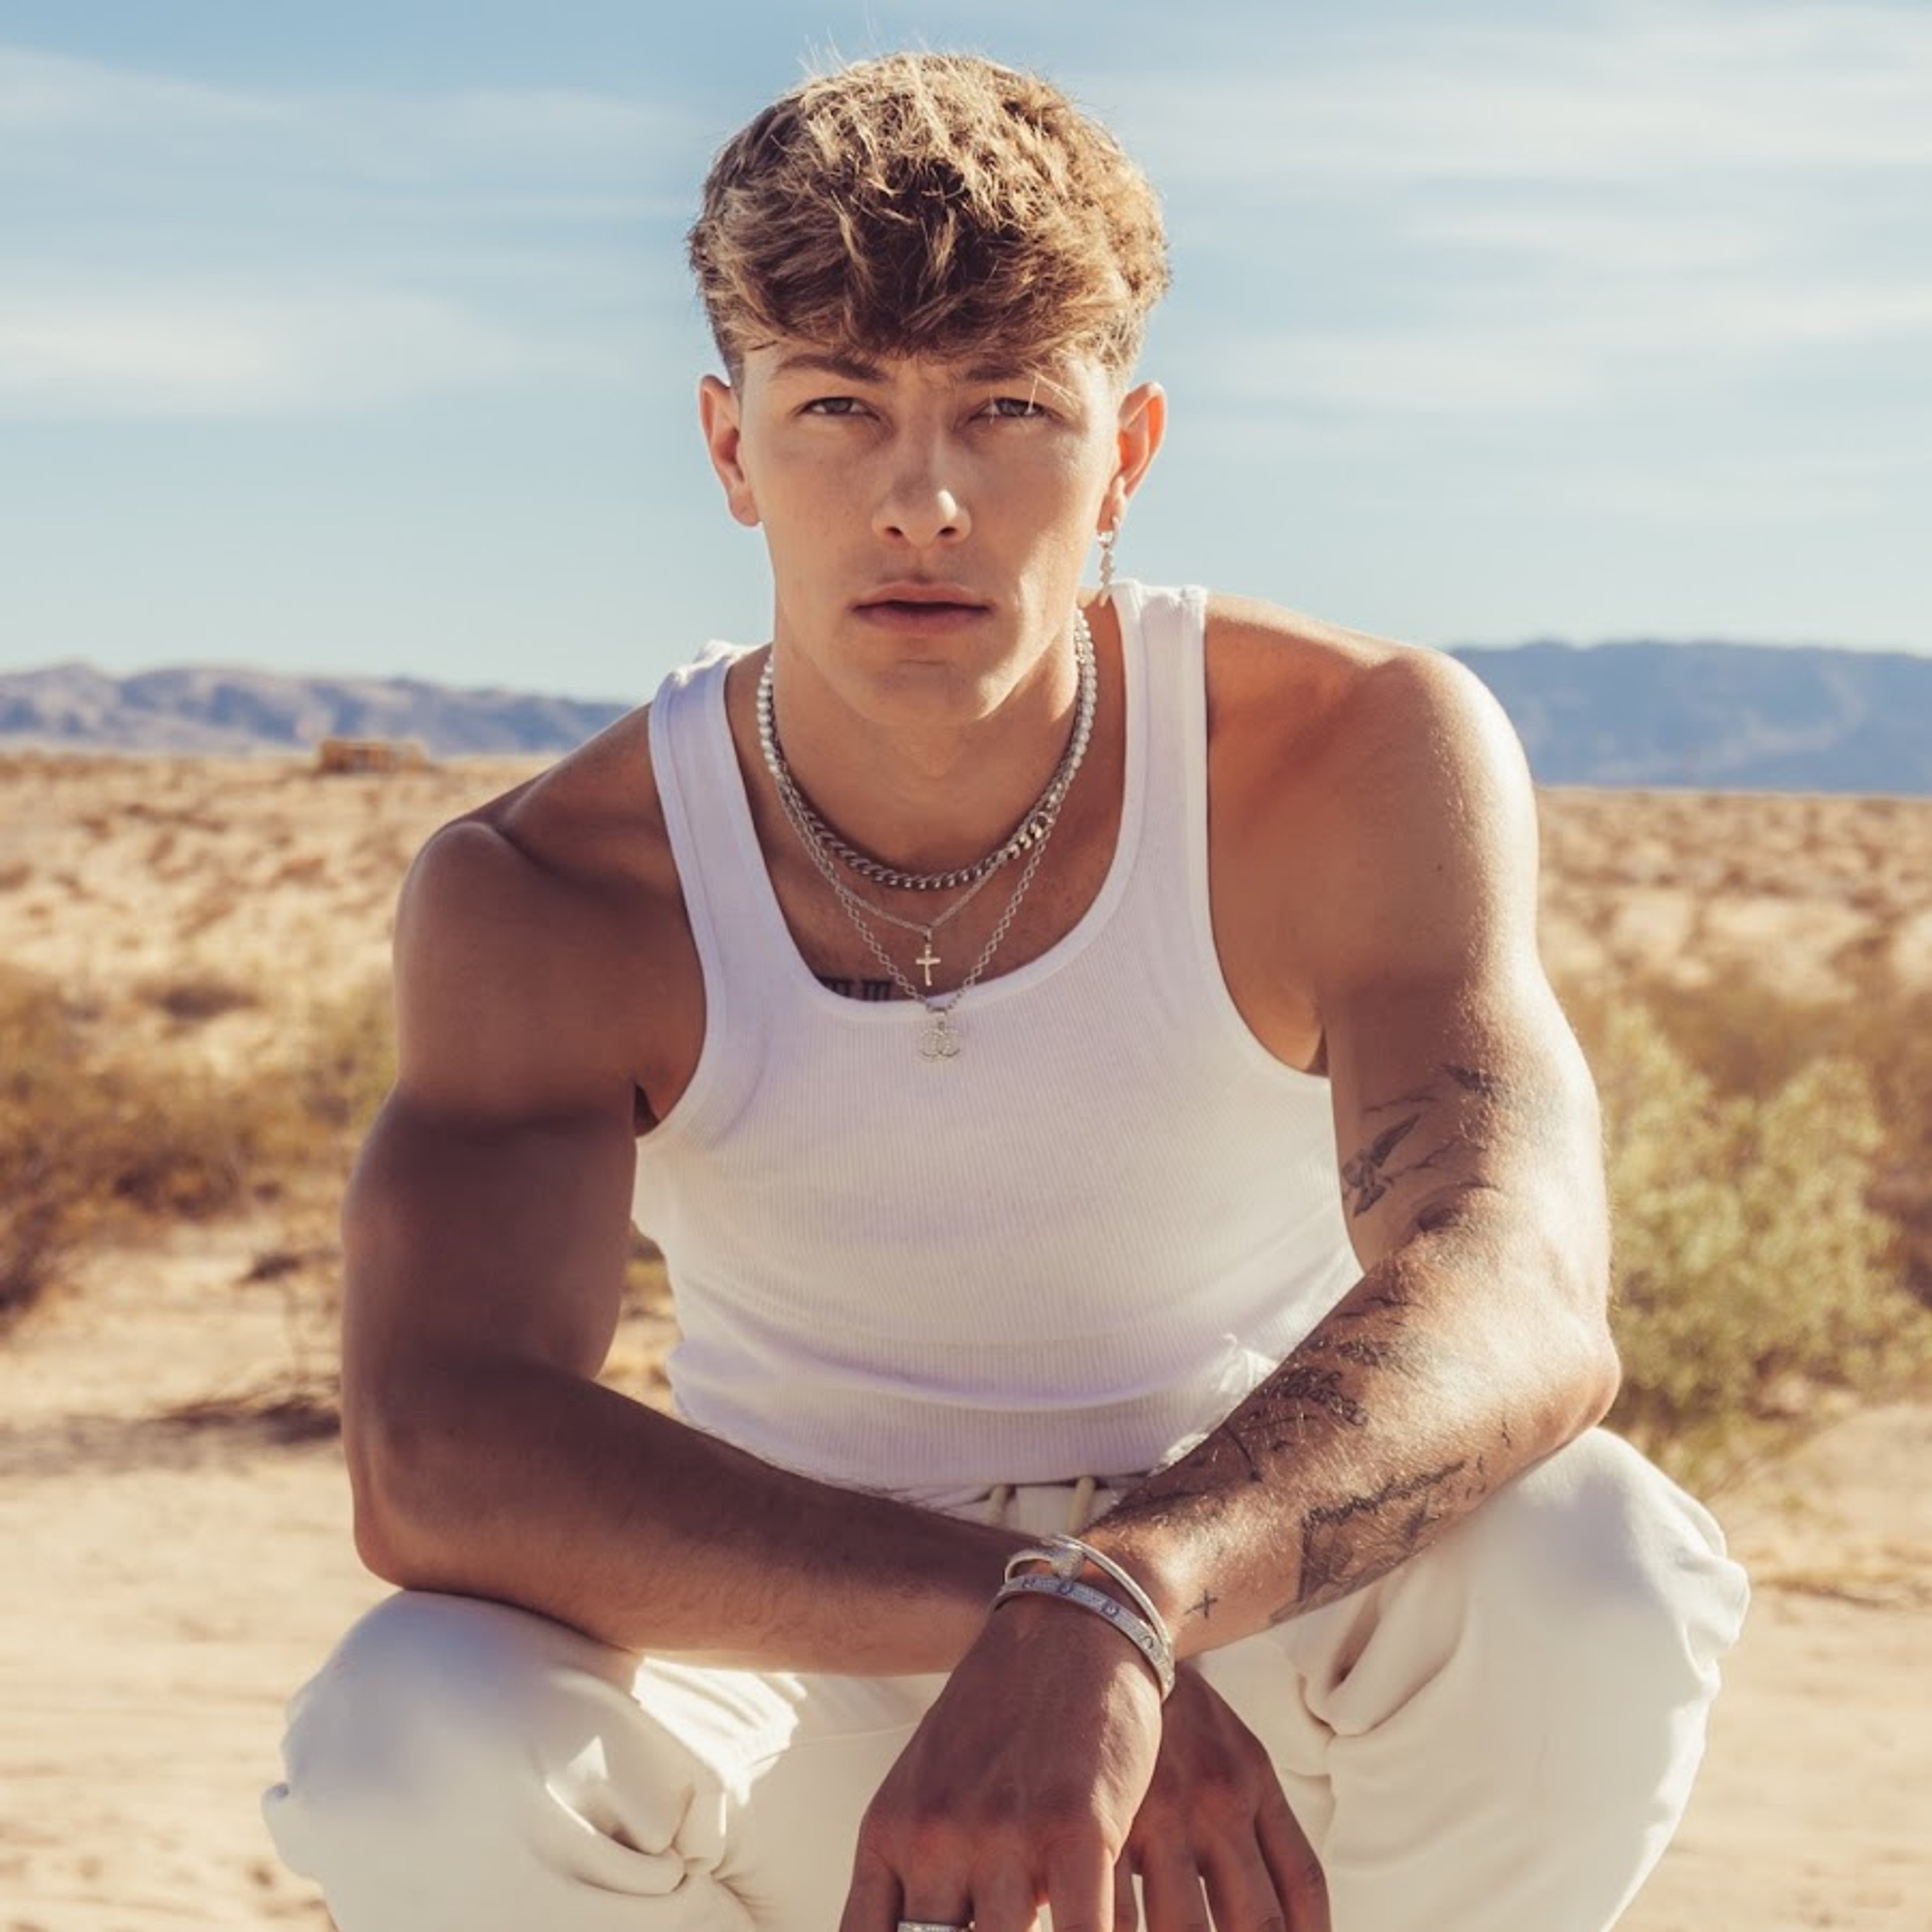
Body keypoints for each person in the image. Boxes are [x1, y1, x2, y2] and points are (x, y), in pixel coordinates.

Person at [263, 50, 1747, 1932]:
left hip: (1257, 1634)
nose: (924, 499)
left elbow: (1520, 1297)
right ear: (731, 448)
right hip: (815, 1661)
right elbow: (437, 1450)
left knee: (1597, 1567)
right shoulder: (558, 885)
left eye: (1008, 410)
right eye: (837, 408)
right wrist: (1041, 1618)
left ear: (1124, 452)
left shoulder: (1349, 752)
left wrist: (1137, 1594)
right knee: (415, 1738)